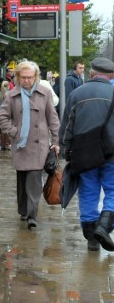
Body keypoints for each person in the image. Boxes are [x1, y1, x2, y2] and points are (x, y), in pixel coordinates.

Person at [0, 60, 60, 230]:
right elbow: (1, 118)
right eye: (23, 77)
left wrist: (57, 141)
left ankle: (32, 214)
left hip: (39, 144)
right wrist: (14, 131)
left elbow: (53, 118)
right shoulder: (11, 95)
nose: (26, 80)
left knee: (34, 178)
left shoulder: (45, 92)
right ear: (17, 77)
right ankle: (24, 210)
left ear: (36, 77)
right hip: (20, 143)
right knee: (22, 178)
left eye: (30, 77)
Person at [60, 57, 114, 252]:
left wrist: (66, 151)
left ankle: (92, 238)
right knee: (113, 191)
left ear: (91, 74)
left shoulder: (77, 94)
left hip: (84, 153)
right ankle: (104, 227)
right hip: (111, 154)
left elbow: (67, 126)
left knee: (88, 192)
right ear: (112, 76)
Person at [0, 80, 11, 150]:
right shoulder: (10, 94)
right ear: (8, 86)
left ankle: (2, 144)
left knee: (2, 129)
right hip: (8, 112)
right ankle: (7, 144)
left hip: (0, 112)